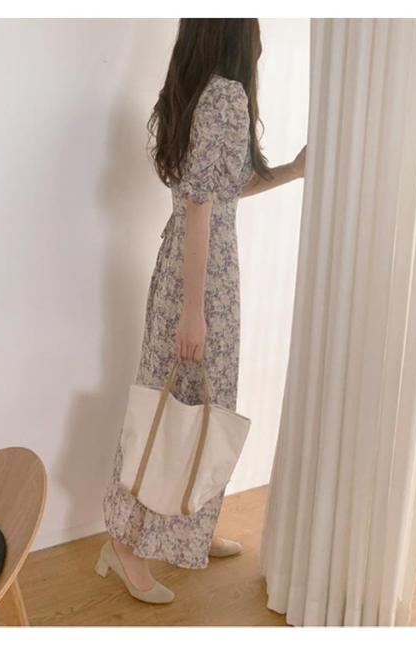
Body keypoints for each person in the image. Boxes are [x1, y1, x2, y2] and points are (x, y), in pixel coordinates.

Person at [97, 18, 307, 604]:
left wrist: (292, 170)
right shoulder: (227, 95)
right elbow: (198, 206)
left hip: (187, 268)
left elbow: (215, 189)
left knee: (184, 405)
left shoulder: (195, 90)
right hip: (202, 278)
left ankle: (189, 522)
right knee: (177, 408)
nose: (261, 40)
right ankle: (126, 544)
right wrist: (195, 310)